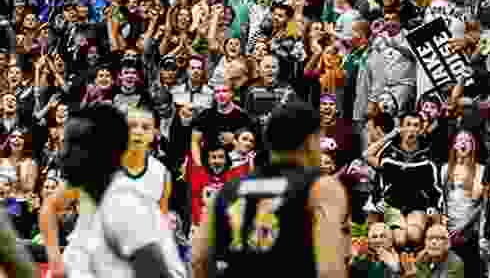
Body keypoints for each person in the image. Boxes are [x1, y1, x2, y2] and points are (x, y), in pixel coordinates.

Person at [192, 100, 348, 278]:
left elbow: (198, 259)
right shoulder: (321, 188)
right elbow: (329, 270)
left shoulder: (227, 190)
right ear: (311, 140)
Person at [40, 104, 185, 278]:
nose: (62, 154)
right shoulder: (91, 185)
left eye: (73, 146)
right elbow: (48, 208)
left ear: (100, 151)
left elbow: (156, 272)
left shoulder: (122, 202)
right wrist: (56, 263)